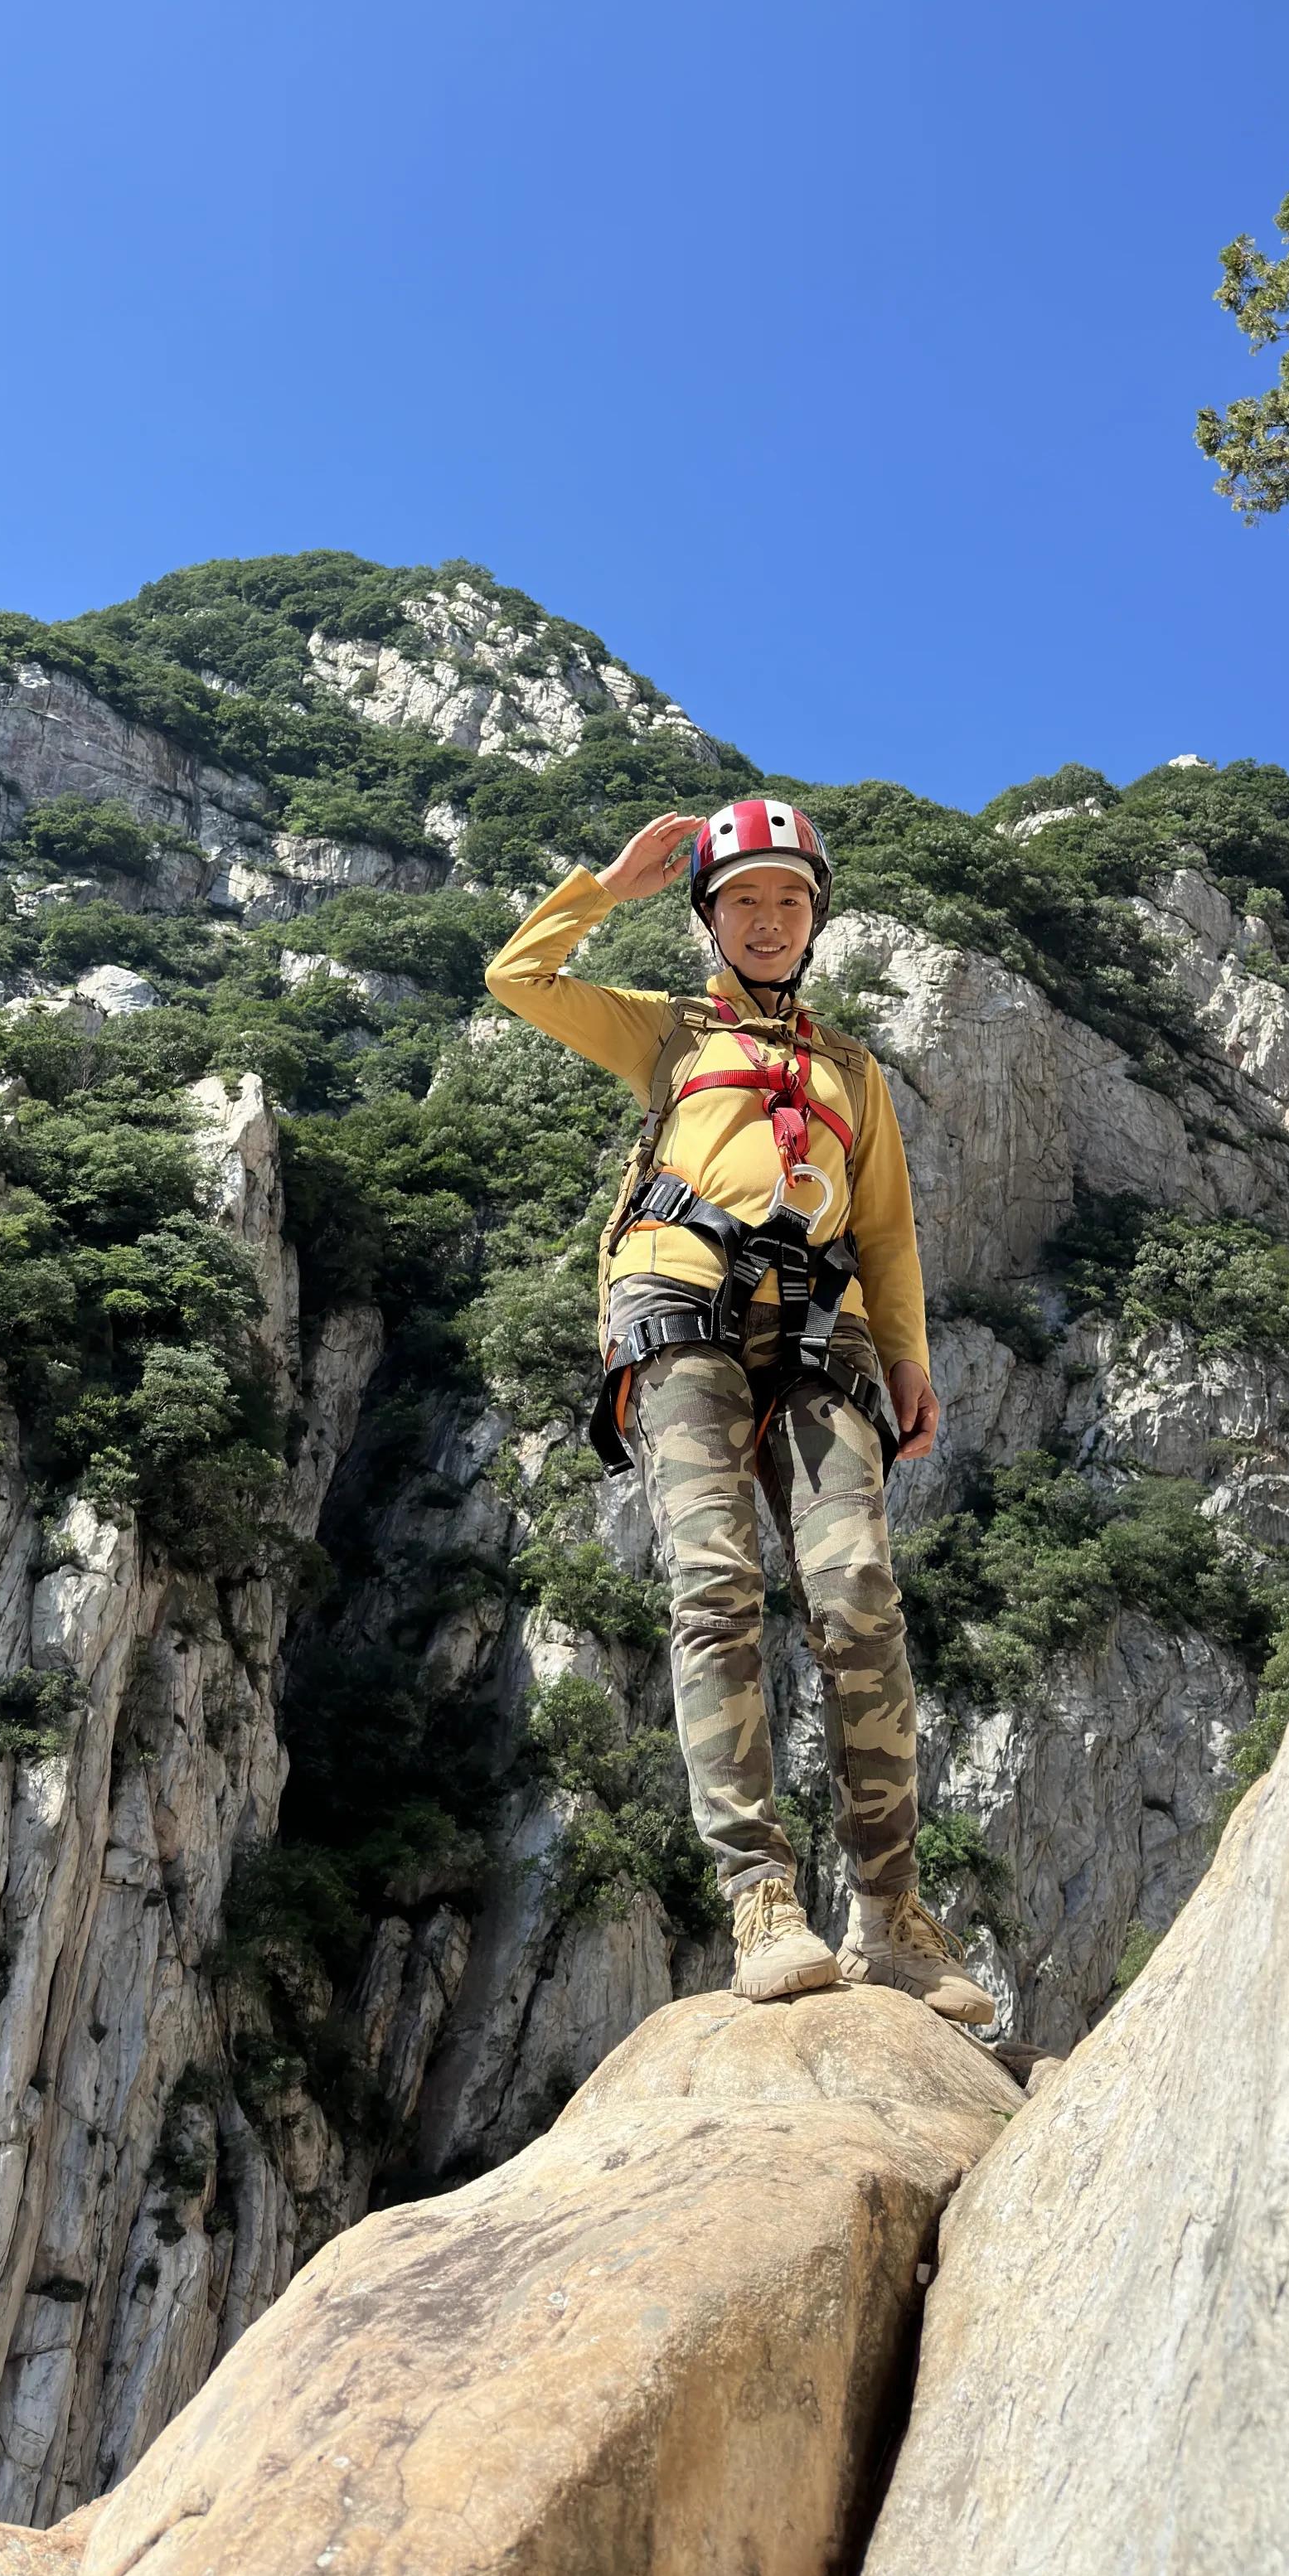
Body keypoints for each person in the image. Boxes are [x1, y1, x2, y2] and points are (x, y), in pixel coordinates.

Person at [486, 795, 994, 2026]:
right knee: (714, 1586)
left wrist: (911, 1359)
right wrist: (605, 891)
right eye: (744, 901)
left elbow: (886, 1232)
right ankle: (761, 1898)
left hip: (823, 1327)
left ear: (816, 920)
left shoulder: (852, 1072)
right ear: (710, 918)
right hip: (682, 1303)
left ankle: (891, 1916)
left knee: (857, 1591)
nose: (768, 920)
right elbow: (518, 978)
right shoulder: (669, 1033)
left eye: (789, 901)